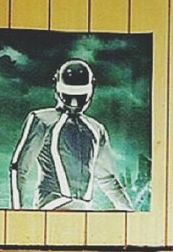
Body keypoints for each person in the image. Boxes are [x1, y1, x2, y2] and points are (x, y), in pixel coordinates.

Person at [10, 58, 132, 210]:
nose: (74, 104)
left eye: (80, 96)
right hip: (52, 206)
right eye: (70, 95)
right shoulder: (43, 120)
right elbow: (19, 168)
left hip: (82, 209)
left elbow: (107, 178)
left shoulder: (96, 128)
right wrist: (17, 212)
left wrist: (129, 212)